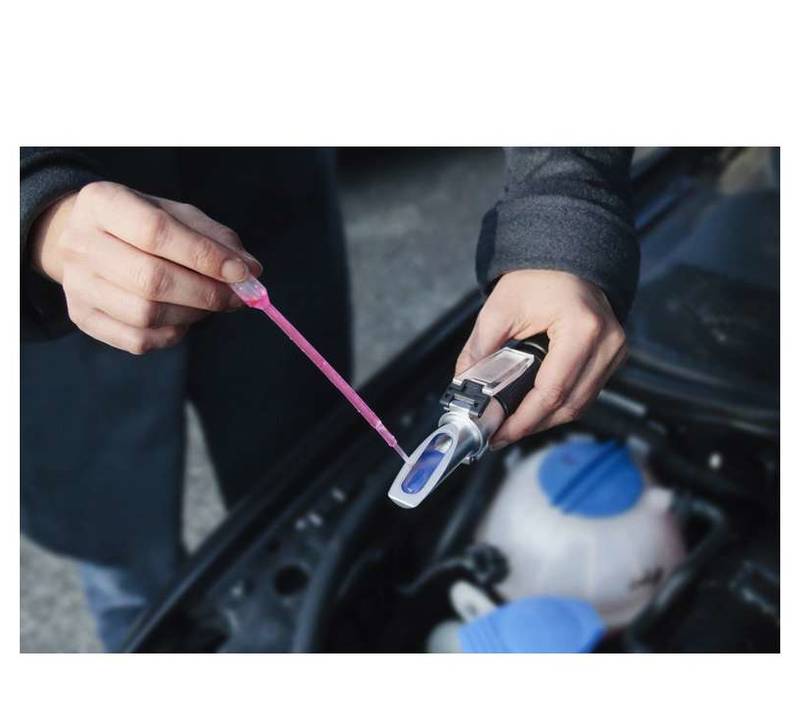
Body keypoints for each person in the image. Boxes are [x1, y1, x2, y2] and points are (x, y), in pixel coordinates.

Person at [20, 147, 638, 650]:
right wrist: (36, 212)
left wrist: (562, 215)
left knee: (310, 534)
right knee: (128, 583)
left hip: (273, 225)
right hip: (60, 331)